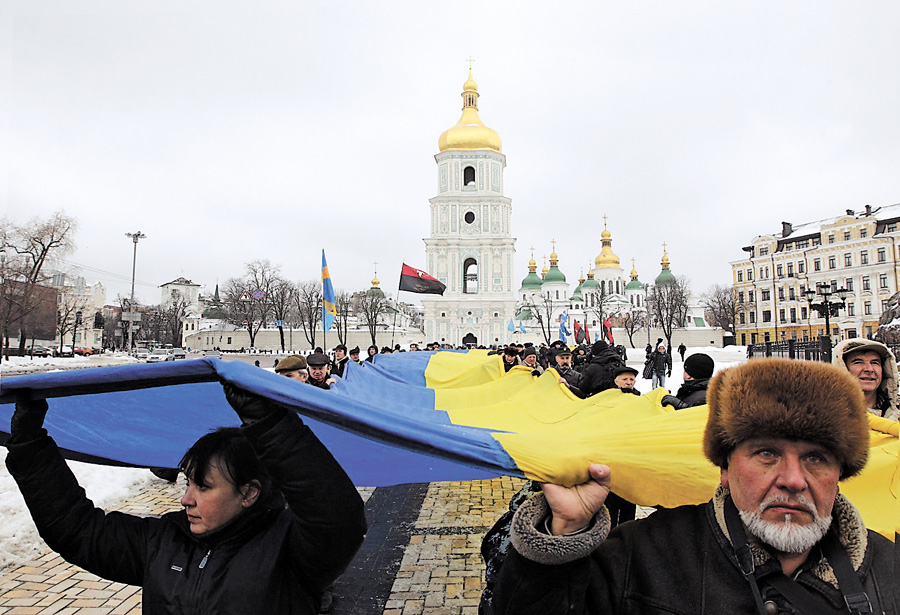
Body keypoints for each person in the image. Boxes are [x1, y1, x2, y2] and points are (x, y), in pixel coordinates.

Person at [492, 359, 898, 614]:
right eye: (766, 454)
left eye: (815, 458)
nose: (793, 480)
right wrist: (562, 535)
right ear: (724, 468)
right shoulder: (641, 557)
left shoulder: (889, 569)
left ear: (840, 474)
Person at [5, 384, 367, 614]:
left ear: (248, 493)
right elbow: (77, 529)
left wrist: (267, 421)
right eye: (187, 483)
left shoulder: (290, 551)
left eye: (203, 487)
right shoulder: (163, 540)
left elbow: (338, 517)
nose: (185, 500)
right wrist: (29, 445)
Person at [833, 338, 899, 420]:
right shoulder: (828, 419)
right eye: (858, 362)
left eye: (875, 362)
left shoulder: (896, 415)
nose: (869, 369)